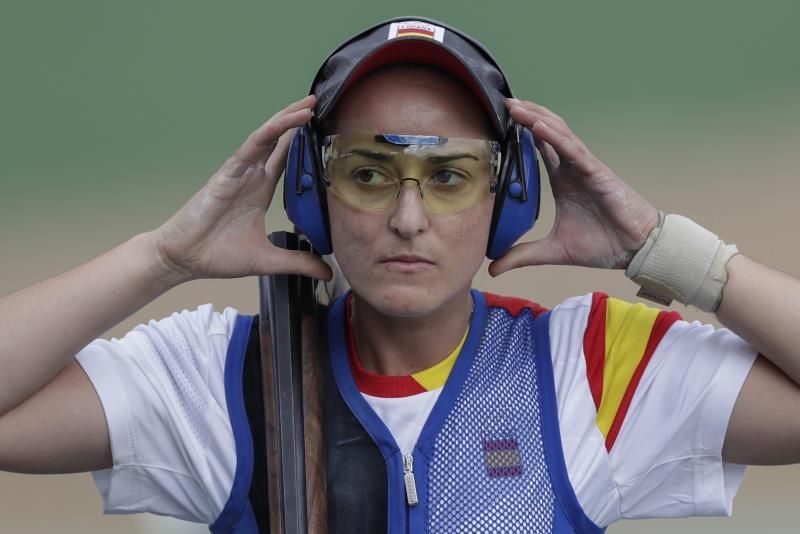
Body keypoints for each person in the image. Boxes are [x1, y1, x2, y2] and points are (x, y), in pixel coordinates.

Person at [1, 15, 798, 533]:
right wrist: (163, 259)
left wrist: (659, 249)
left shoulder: (587, 367)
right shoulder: (226, 376)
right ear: (311, 193)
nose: (408, 219)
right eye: (369, 174)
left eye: (450, 176)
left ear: (508, 199)